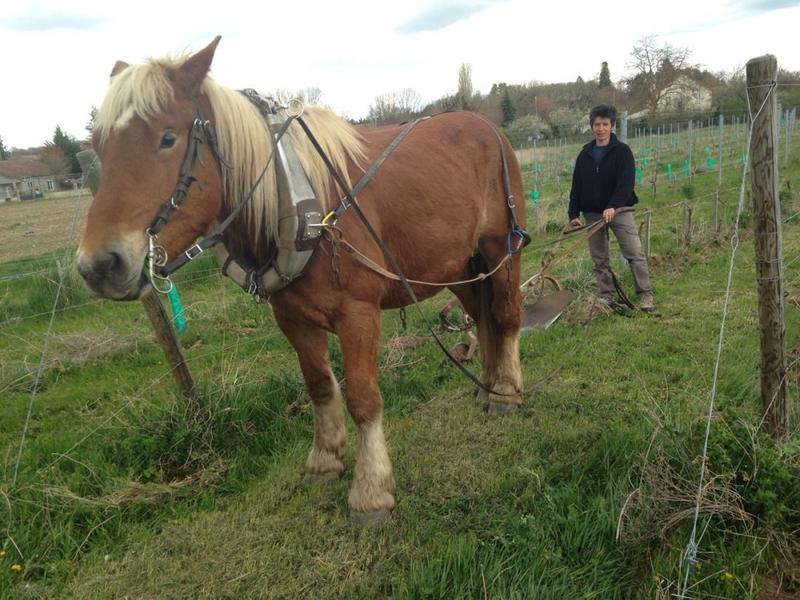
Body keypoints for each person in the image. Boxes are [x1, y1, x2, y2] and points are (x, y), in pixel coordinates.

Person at [568, 104, 654, 312]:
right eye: (597, 124)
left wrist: (613, 206)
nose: (601, 129)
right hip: (592, 214)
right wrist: (573, 214)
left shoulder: (622, 152)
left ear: (611, 126)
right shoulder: (584, 155)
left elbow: (626, 183)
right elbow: (576, 186)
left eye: (605, 124)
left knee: (634, 252)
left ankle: (645, 295)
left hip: (620, 211)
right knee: (599, 259)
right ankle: (607, 296)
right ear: (592, 127)